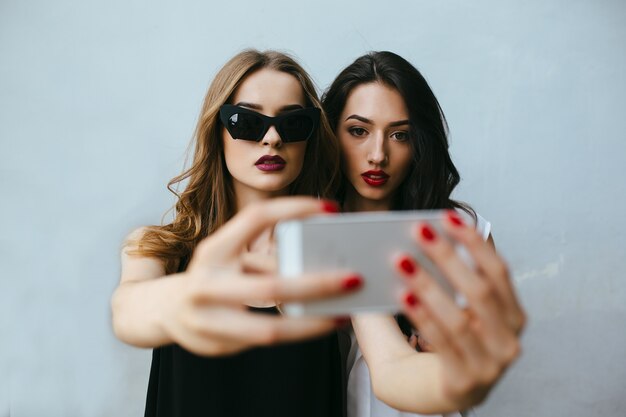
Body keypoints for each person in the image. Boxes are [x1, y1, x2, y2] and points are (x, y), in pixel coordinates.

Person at [111, 49, 364, 417]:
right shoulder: (159, 249)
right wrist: (185, 297)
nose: (273, 138)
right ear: (218, 131)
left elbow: (391, 368)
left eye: (293, 124)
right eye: (246, 122)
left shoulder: (335, 257)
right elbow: (129, 312)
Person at [322, 51, 526, 416]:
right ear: (331, 132)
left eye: (399, 135)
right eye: (358, 131)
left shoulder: (463, 233)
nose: (378, 154)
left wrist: (462, 349)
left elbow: (484, 352)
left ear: (419, 143)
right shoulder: (306, 235)